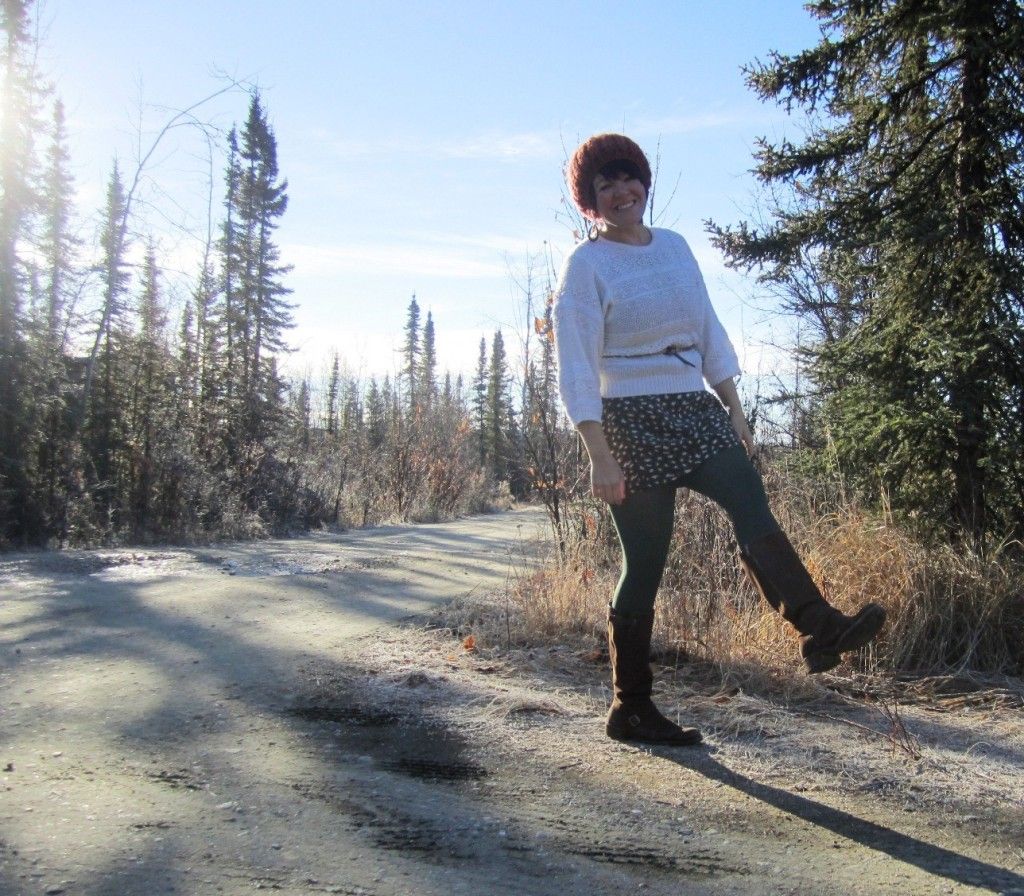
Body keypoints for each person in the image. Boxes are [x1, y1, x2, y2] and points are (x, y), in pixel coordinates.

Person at [553, 133, 885, 747]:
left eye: (630, 179)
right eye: (607, 185)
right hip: (628, 421)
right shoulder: (587, 267)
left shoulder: (675, 248)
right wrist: (598, 452)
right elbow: (576, 365)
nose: (623, 192)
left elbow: (707, 323)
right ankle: (631, 707)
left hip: (695, 407)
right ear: (591, 202)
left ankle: (817, 626)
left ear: (645, 184)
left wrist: (731, 403)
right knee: (645, 564)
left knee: (750, 501)